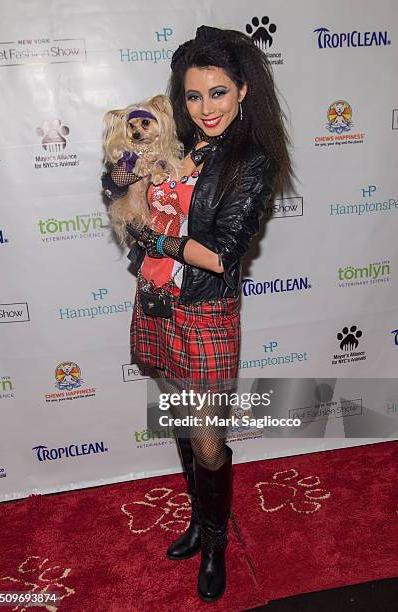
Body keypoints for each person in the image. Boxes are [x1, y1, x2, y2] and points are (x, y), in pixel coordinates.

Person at [104, 25, 292, 602]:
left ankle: (214, 541)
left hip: (205, 312)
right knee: (183, 418)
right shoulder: (172, 144)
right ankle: (199, 522)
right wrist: (119, 178)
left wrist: (154, 241)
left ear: (242, 91)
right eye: (192, 95)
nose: (205, 108)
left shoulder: (251, 162)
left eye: (217, 93)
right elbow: (117, 189)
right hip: (158, 301)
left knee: (209, 438)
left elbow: (220, 254)